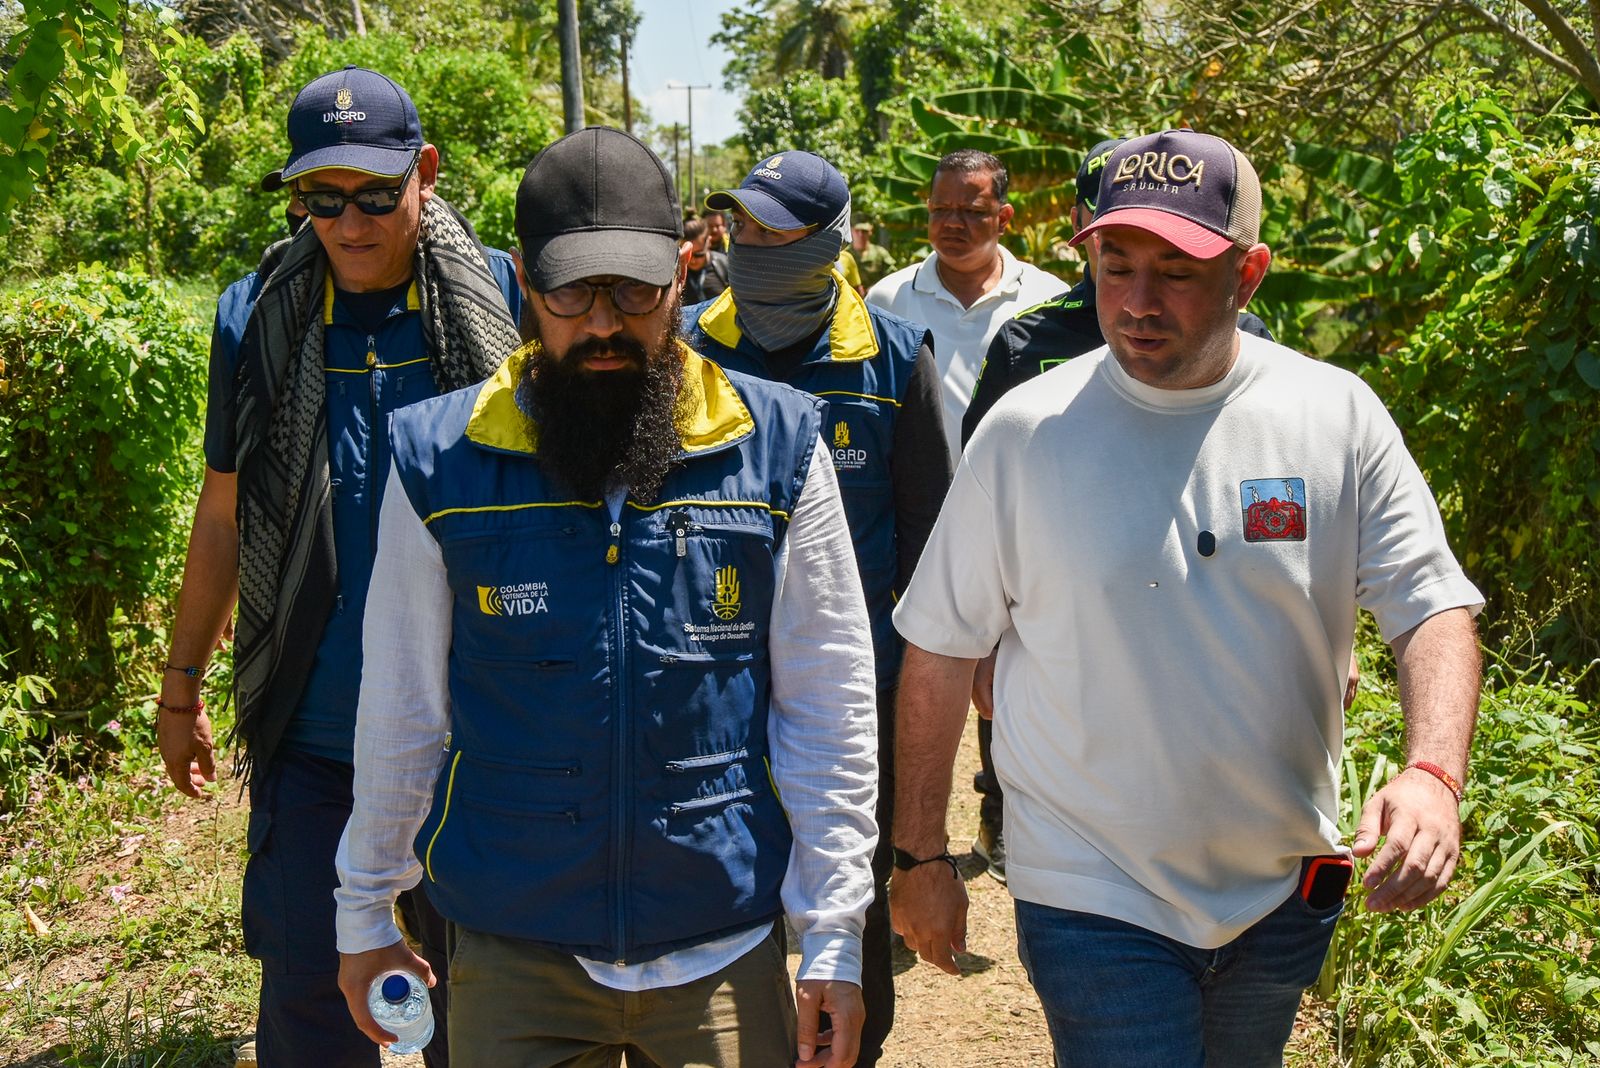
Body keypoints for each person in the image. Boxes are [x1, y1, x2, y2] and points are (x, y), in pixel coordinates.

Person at [889, 129, 1484, 1068]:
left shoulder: (1333, 416)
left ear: (1249, 275)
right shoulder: (1026, 433)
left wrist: (1434, 774)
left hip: (1281, 887)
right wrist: (921, 855)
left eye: (1176, 273)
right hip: (1089, 886)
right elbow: (940, 646)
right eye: (1115, 267)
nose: (1136, 302)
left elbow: (1429, 602)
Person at [334, 126, 879, 1068]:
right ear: (522, 280)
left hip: (721, 944)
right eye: (570, 293)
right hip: (513, 946)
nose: (601, 324)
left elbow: (827, 705)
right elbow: (402, 709)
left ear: (683, 270)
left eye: (634, 291)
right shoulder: (436, 459)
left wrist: (834, 933)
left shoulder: (781, 447)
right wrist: (365, 908)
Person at [155, 66, 523, 1065]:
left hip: (479, 733)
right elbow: (224, 513)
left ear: (425, 172)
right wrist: (182, 685)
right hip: (317, 730)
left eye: (374, 193)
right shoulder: (255, 317)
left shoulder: (504, 298)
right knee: (314, 1008)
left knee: (484, 1016)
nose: (349, 223)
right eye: (322, 198)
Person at [681, 149, 952, 1068]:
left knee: (850, 886)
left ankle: (849, 1050)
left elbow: (929, 542)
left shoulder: (894, 357)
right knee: (725, 879)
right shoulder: (688, 347)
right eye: (742, 227)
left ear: (830, 243)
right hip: (711, 682)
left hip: (854, 687)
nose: (749, 246)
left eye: (776, 233)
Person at [957, 138, 1281, 883]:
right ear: (1083, 225)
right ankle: (1009, 817)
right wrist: (983, 633)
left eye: (1175, 268)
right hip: (1051, 597)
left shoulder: (1248, 342)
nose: (1142, 304)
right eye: (1117, 250)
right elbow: (981, 498)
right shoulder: (1029, 341)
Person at [865, 148, 1066, 448]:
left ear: (1003, 218)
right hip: (921, 479)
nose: (953, 223)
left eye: (972, 212)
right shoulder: (888, 300)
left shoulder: (1048, 298)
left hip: (1021, 476)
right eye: (941, 209)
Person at [681, 214, 729, 304]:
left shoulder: (724, 264)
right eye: (687, 256)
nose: (692, 260)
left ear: (708, 242)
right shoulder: (676, 272)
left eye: (699, 254)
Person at [851, 222, 894, 291]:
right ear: (851, 231)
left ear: (870, 232)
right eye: (857, 231)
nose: (860, 235)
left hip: (876, 293)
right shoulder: (844, 254)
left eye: (864, 231)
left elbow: (892, 277)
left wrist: (875, 287)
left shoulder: (880, 253)